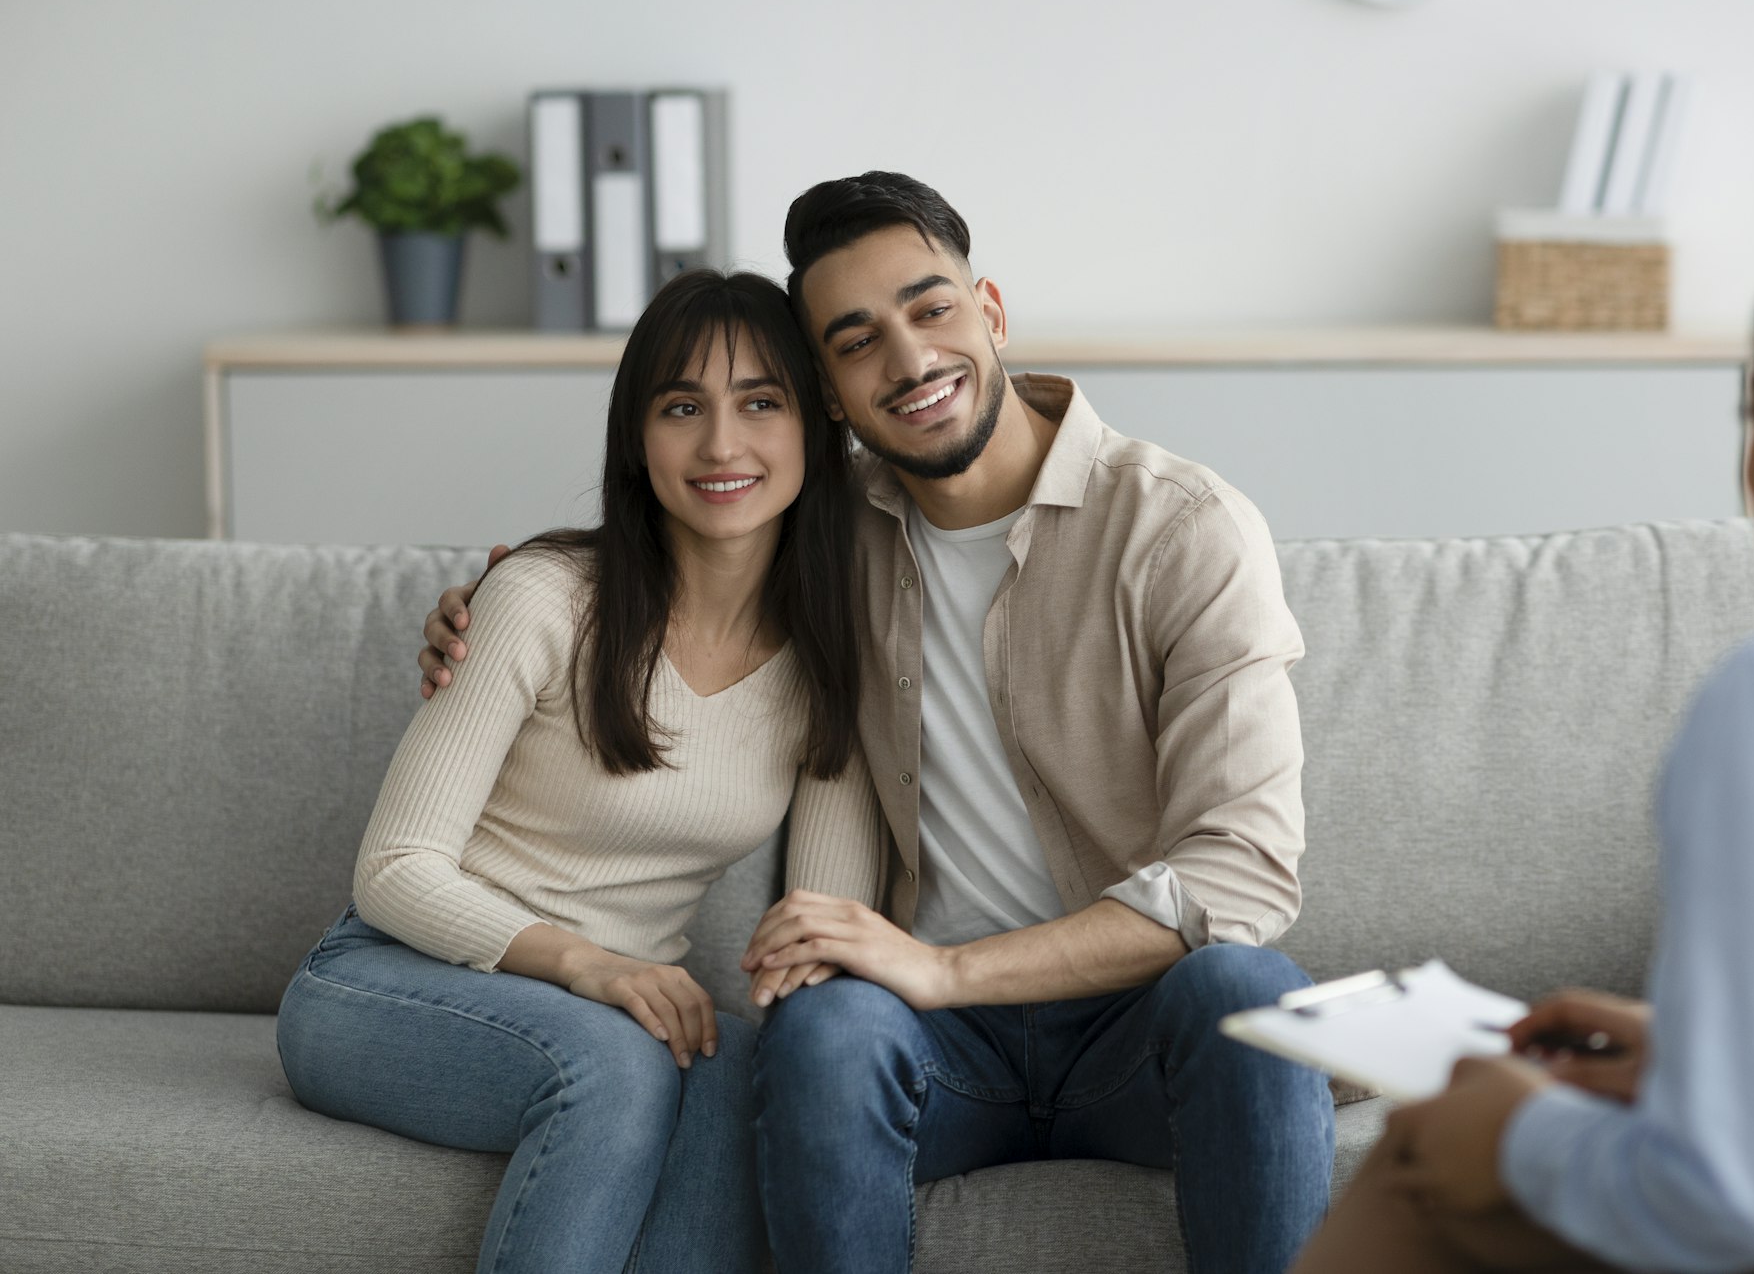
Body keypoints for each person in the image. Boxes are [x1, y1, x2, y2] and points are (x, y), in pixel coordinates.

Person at [419, 172, 1337, 1273]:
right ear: (830, 393)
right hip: (927, 1049)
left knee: (1250, 991)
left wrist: (947, 970)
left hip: (1128, 1031)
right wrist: (507, 590)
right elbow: (679, 534)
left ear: (989, 311)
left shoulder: (1180, 530)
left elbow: (1241, 879)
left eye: (930, 308)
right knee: (821, 1029)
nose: (908, 360)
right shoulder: (822, 531)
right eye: (857, 341)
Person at [1291, 217, 1754, 1274]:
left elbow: (1734, 1202)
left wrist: (1510, 1134)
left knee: (1416, 1155)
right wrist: (1692, 1055)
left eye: (1749, 413)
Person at [276, 270, 884, 1274]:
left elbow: (816, 923)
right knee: (612, 1063)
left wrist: (798, 1023)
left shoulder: (828, 657)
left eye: (759, 403)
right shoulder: (543, 598)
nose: (721, 444)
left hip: (617, 1012)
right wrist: (589, 965)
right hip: (385, 983)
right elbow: (392, 868)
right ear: (637, 441)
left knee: (745, 1073)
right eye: (681, 406)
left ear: (815, 428)